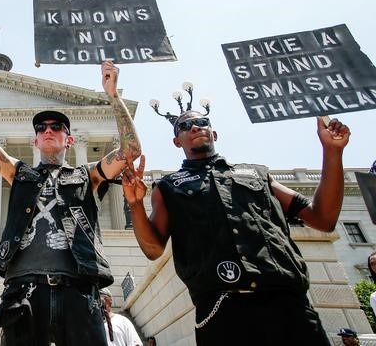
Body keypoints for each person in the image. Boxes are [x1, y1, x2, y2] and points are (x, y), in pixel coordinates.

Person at [122, 95, 351, 346]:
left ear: (214, 133)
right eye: (185, 126)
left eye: (201, 121)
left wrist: (332, 152)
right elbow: (154, 249)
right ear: (177, 141)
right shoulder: (168, 187)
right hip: (223, 310)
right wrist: (135, 205)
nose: (195, 127)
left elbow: (322, 218)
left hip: (288, 305)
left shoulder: (257, 174)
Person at [0, 37, 141, 346]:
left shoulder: (88, 175)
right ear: (35, 141)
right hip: (25, 292)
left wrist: (113, 96)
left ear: (69, 140)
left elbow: (131, 149)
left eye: (56, 127)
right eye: (41, 129)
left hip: (78, 290)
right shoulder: (19, 174)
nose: (48, 131)